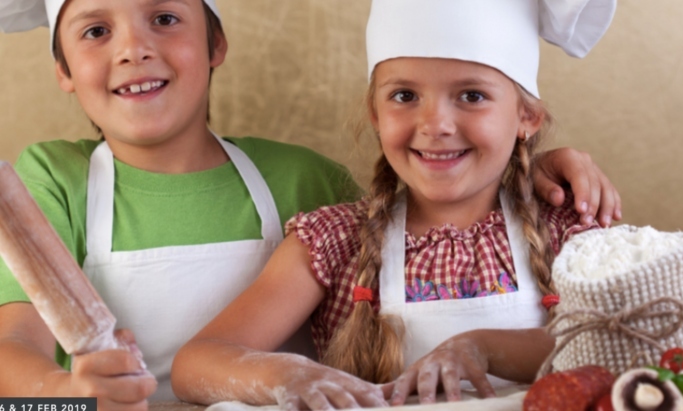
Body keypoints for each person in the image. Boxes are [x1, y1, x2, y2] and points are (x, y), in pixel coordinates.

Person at [0, 0, 619, 408]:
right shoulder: (52, 178)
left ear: (216, 43)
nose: (133, 48)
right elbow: (11, 360)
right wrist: (67, 396)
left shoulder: (305, 180)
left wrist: (534, 173)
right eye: (96, 29)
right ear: (62, 67)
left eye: (164, 16)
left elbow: (425, 206)